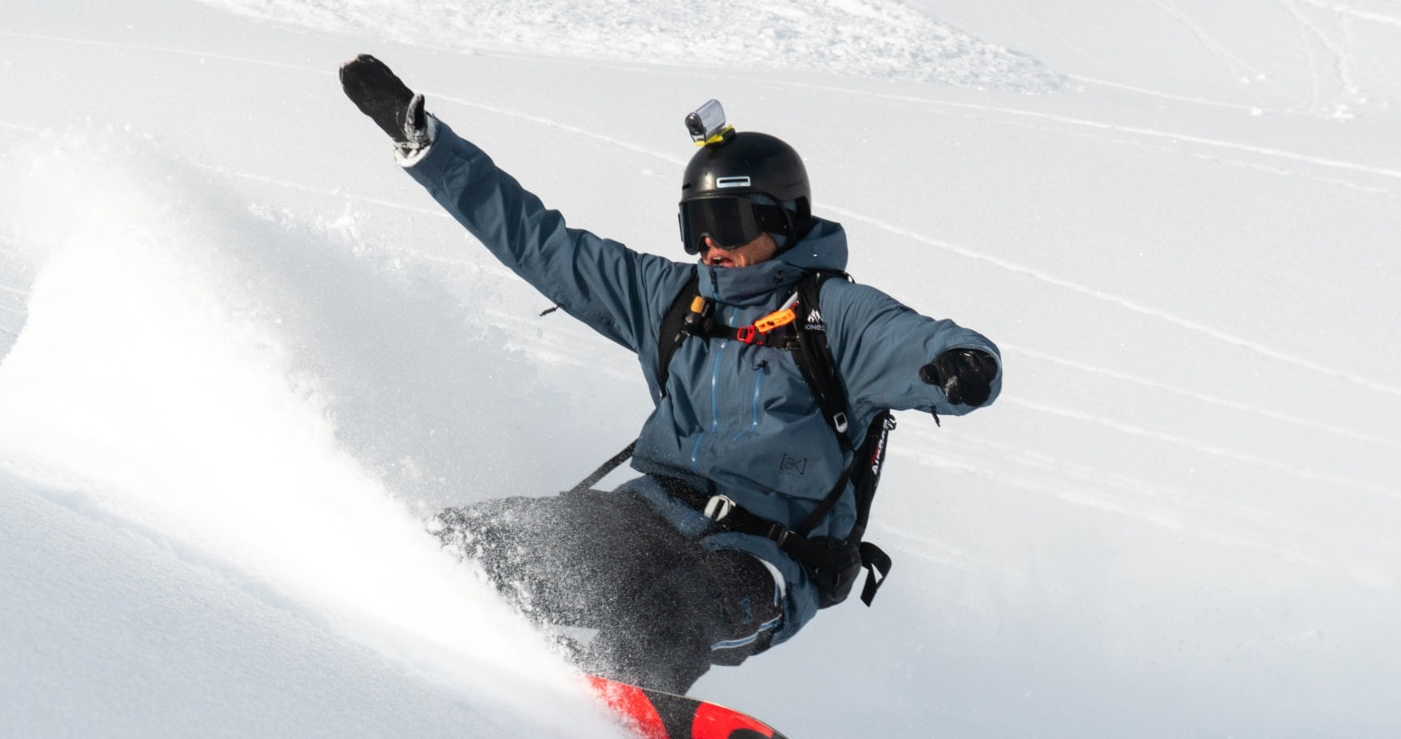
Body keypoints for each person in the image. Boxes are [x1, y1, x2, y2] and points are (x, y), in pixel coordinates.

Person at [340, 54, 1002, 694]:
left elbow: (917, 343)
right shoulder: (676, 299)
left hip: (765, 559)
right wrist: (429, 148)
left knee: (666, 617)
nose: (713, 246)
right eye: (698, 226)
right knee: (479, 544)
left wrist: (959, 366)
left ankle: (605, 718)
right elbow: (540, 244)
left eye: (730, 223)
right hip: (649, 515)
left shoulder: (836, 316)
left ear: (783, 222)